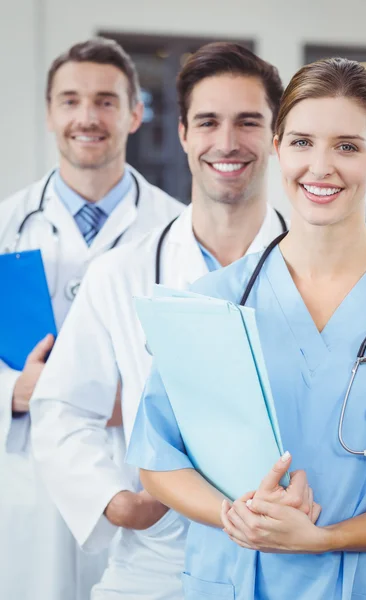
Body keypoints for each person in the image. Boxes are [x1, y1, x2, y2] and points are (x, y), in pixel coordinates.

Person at [127, 57, 366, 600]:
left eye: (347, 146)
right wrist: (236, 516)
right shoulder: (210, 303)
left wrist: (323, 539)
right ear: (277, 148)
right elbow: (158, 460)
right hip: (232, 580)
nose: (320, 166)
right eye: (301, 142)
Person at [30, 42, 292, 599]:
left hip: (290, 561)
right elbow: (63, 406)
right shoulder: (121, 273)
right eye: (207, 122)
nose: (226, 142)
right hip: (157, 566)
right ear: (183, 135)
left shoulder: (316, 269)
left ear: (275, 137)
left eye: (248, 122)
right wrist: (116, 501)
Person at [0, 37, 182, 600]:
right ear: (51, 113)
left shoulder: (177, 231)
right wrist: (15, 391)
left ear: (134, 113)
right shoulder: (6, 225)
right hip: (29, 484)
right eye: (71, 100)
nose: (87, 117)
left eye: (106, 101)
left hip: (142, 488)